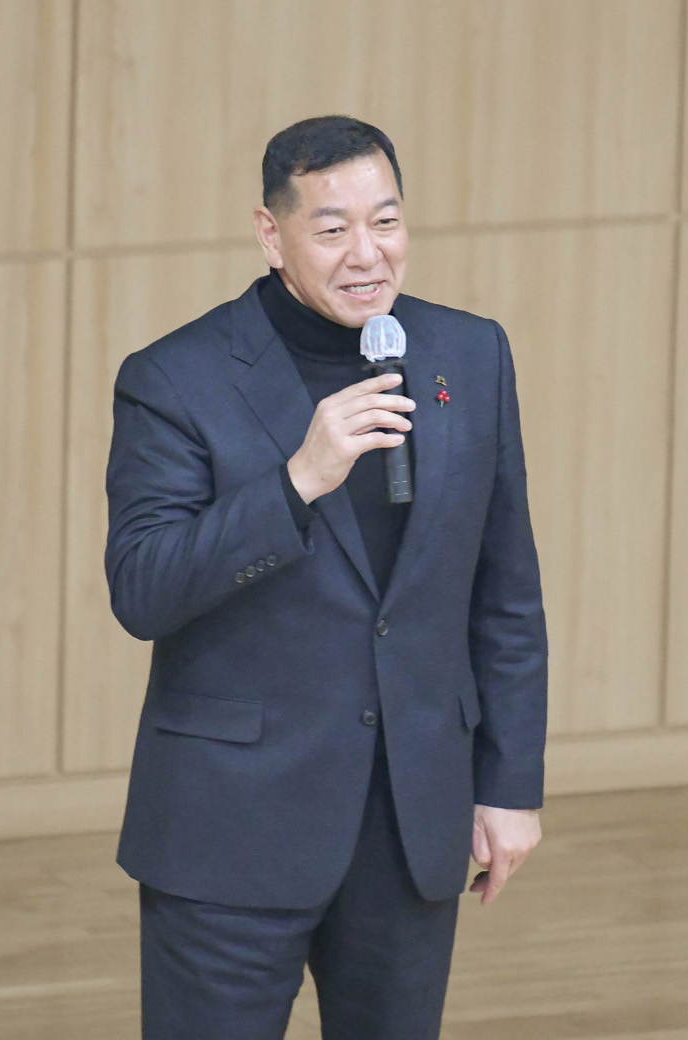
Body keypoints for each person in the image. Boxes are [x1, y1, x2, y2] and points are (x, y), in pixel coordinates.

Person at [104, 115, 548, 1038]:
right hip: (232, 830)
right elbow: (144, 589)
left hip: (410, 820)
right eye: (333, 228)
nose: (367, 255)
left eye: (385, 221)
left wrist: (509, 786)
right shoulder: (176, 378)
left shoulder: (469, 355)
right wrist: (297, 481)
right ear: (272, 236)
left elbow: (504, 592)